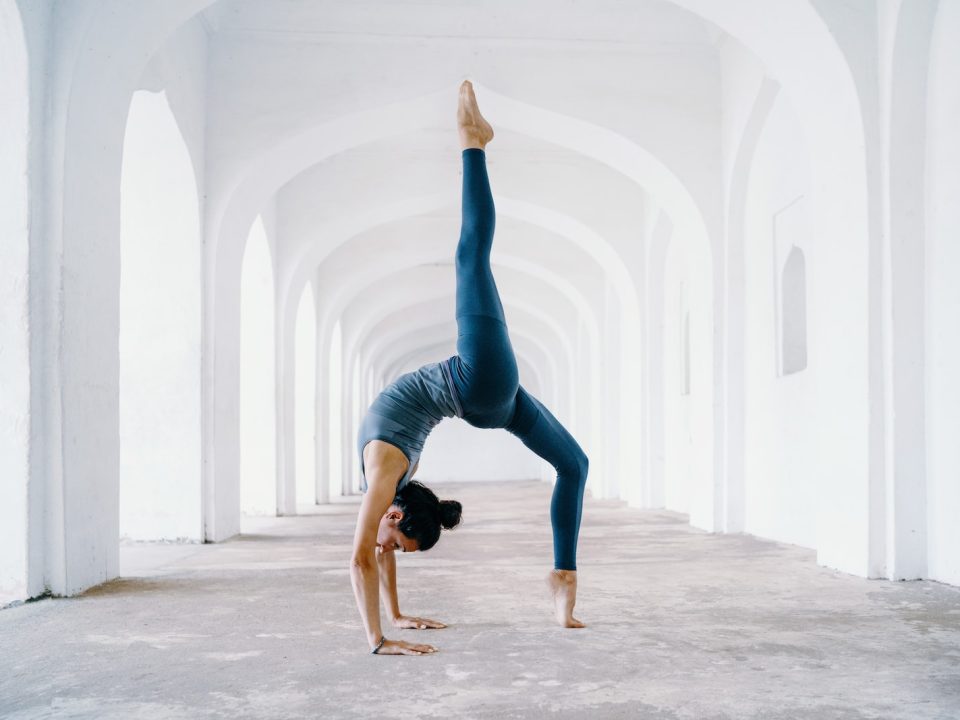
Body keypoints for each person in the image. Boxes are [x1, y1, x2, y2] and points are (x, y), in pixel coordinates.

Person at [350, 80, 590, 656]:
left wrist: (381, 636)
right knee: (471, 258)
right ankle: (472, 143)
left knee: (575, 464)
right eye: (401, 547)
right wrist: (395, 619)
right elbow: (378, 549)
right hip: (482, 388)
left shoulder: (385, 474)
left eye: (398, 545)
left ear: (396, 512)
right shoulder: (391, 490)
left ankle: (471, 142)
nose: (390, 550)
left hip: (482, 387)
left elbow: (360, 555)